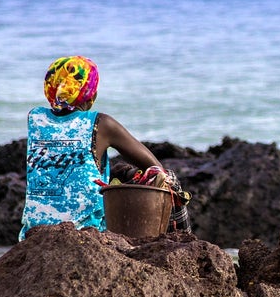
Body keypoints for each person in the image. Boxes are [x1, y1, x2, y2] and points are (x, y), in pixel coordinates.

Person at [19, 56, 189, 240]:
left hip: (33, 233)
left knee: (114, 173)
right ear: (92, 96)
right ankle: (182, 239)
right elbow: (155, 168)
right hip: (86, 233)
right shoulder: (101, 124)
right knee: (168, 179)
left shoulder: (34, 118)